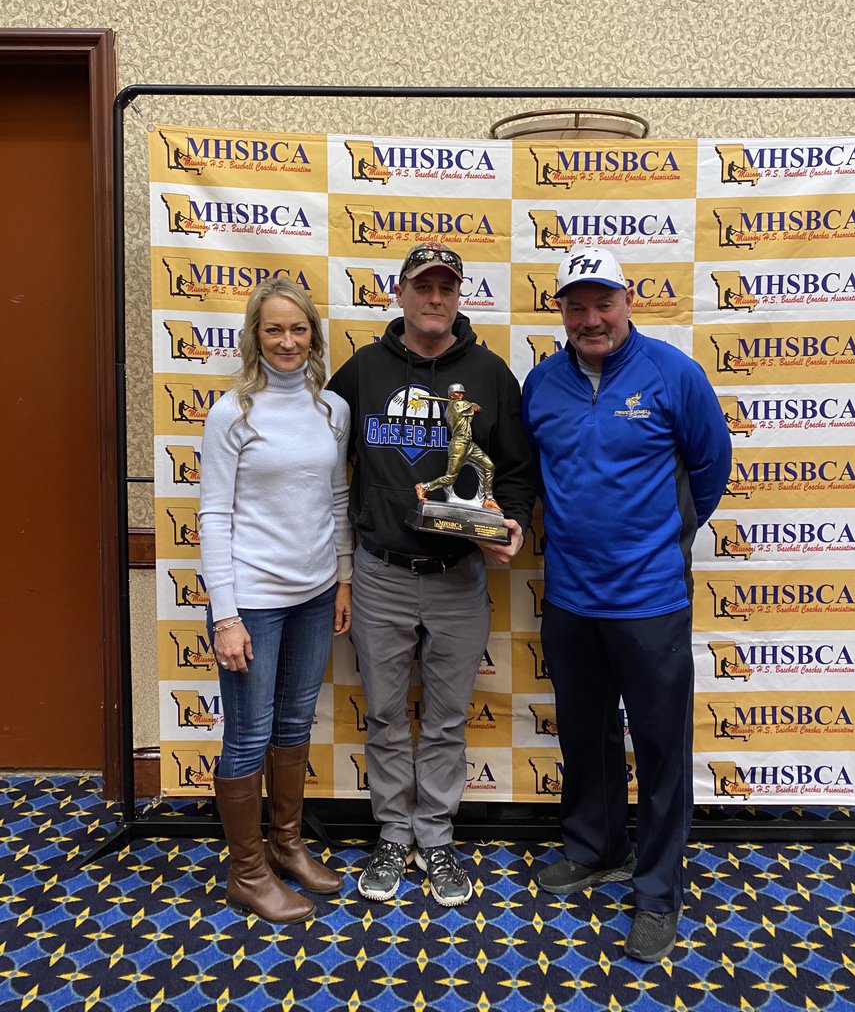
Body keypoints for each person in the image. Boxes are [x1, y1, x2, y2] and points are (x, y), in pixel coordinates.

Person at [521, 246, 731, 963]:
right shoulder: (541, 383)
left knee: (662, 747)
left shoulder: (675, 374)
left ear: (629, 299)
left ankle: (657, 892)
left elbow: (710, 470)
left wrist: (660, 542)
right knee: (585, 735)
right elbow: (537, 475)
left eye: (602, 302)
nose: (591, 318)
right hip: (571, 598)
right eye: (576, 305)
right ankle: (595, 849)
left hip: (651, 600)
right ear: (560, 311)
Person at [328, 242, 534, 907]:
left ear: (460, 295)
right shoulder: (360, 373)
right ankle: (393, 832)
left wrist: (516, 524)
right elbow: (324, 466)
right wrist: (337, 568)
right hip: (382, 571)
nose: (435, 298)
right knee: (386, 717)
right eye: (424, 286)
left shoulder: (491, 375)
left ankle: (437, 837)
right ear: (400, 292)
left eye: (447, 286)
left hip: (457, 577)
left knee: (445, 720)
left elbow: (519, 472)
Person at [199, 277, 352, 923]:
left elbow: (337, 499)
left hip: (315, 593)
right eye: (273, 329)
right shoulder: (230, 410)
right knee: (248, 735)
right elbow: (211, 515)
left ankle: (286, 847)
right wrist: (226, 614)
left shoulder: (333, 410)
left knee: (293, 728)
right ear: (254, 336)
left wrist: (342, 576)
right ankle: (247, 872)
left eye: (298, 329)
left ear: (313, 335)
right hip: (252, 599)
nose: (287, 342)